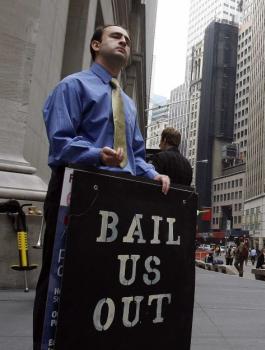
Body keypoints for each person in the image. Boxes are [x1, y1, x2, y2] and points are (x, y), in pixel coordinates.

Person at [34, 24, 170, 349]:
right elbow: (60, 143)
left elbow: (136, 155)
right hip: (74, 193)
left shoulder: (129, 104)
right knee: (59, 280)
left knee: (102, 281)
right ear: (96, 44)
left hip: (114, 200)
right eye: (115, 36)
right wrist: (97, 154)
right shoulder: (72, 86)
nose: (124, 40)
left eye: (127, 38)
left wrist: (153, 175)